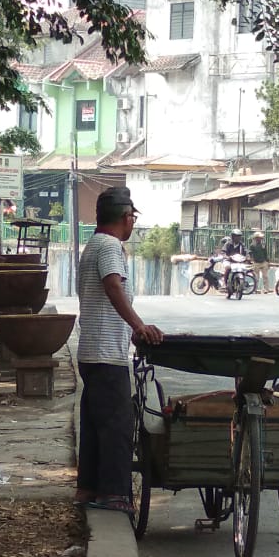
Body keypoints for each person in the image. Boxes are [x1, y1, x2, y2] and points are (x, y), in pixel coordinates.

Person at [75, 186, 163, 515]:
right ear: (127, 218)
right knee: (117, 426)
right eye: (133, 219)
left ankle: (88, 488)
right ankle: (113, 493)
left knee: (95, 423)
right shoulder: (110, 246)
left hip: (92, 350)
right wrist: (139, 326)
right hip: (106, 353)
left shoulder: (93, 244)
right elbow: (113, 284)